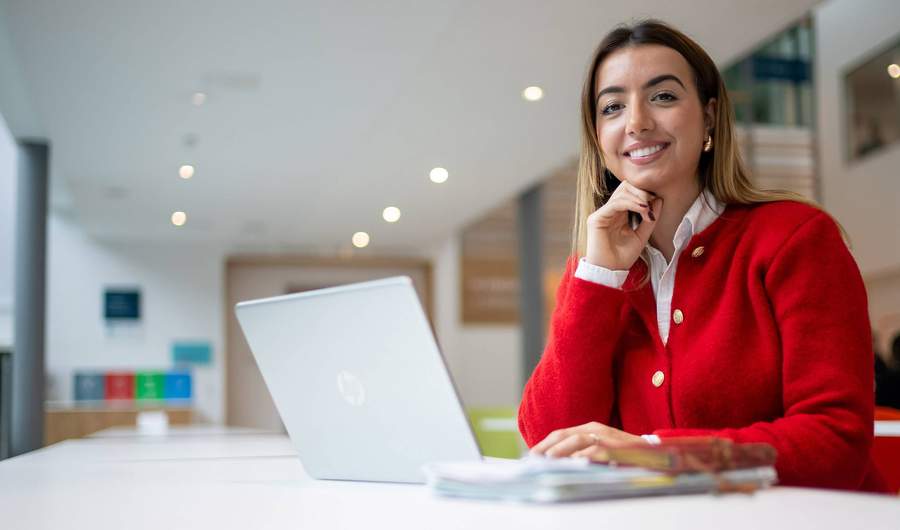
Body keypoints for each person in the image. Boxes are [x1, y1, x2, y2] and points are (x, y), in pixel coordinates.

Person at [518, 20, 887, 492]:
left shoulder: (795, 238)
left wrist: (652, 452)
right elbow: (550, 441)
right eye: (612, 107)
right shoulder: (594, 272)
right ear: (597, 136)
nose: (636, 122)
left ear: (710, 117)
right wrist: (599, 278)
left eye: (664, 97)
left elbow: (834, 442)